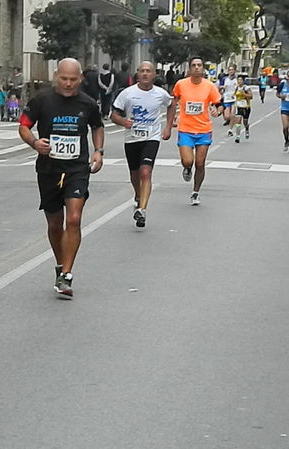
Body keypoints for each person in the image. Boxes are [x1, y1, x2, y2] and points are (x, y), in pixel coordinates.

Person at [18, 58, 104, 299]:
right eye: (64, 79)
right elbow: (23, 125)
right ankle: (60, 263)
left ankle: (66, 274)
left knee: (74, 218)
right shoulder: (41, 100)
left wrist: (98, 151)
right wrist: (34, 142)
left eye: (73, 80)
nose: (68, 84)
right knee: (55, 224)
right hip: (48, 169)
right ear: (57, 76)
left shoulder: (87, 104)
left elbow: (97, 127)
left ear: (80, 79)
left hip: (77, 168)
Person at [111, 61, 175, 228]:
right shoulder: (127, 94)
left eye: (148, 71)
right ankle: (138, 195)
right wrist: (123, 121)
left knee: (146, 172)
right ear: (137, 74)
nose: (145, 74)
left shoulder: (161, 93)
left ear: (154, 75)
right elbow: (114, 114)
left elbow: (171, 104)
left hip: (151, 138)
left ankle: (142, 210)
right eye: (142, 71)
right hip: (132, 139)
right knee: (134, 174)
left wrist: (168, 126)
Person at [171, 56, 223, 206]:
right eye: (194, 65)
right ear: (189, 68)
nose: (197, 68)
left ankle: (195, 192)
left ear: (203, 68)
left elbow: (219, 104)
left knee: (200, 164)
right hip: (186, 129)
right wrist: (173, 117)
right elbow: (174, 101)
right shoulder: (181, 84)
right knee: (188, 161)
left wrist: (217, 111)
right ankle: (187, 168)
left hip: (203, 130)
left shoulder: (209, 86)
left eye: (199, 65)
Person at [232, 74, 252, 143]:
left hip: (246, 107)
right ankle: (237, 136)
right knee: (238, 120)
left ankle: (247, 128)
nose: (239, 81)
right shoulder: (237, 87)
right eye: (238, 80)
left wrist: (244, 94)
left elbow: (251, 96)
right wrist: (233, 97)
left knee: (245, 122)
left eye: (240, 80)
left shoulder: (246, 88)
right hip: (239, 107)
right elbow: (234, 95)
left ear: (243, 81)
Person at [219, 64, 237, 132]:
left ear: (234, 71)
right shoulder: (225, 79)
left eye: (232, 70)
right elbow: (220, 87)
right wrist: (222, 89)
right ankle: (232, 120)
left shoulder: (237, 79)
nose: (231, 71)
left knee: (232, 114)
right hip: (226, 98)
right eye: (229, 70)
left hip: (234, 98)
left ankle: (231, 128)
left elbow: (240, 87)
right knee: (227, 116)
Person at [276, 71, 289, 152]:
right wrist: (281, 96)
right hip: (284, 109)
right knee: (285, 127)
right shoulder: (282, 85)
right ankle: (286, 140)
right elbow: (277, 94)